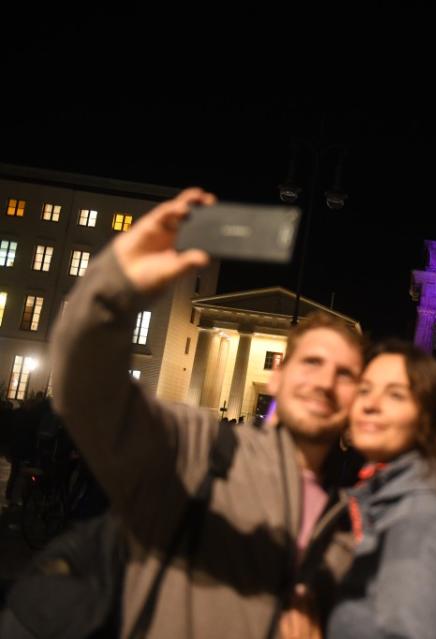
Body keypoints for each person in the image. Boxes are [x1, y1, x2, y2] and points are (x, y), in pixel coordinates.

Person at [47, 188, 365, 638]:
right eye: (311, 361)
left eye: (345, 373)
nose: (325, 381)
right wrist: (113, 283)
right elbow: (88, 392)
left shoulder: (347, 530)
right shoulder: (196, 449)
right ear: (275, 376)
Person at [326, 341, 436, 638]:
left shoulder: (423, 521)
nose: (370, 404)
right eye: (364, 390)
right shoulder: (394, 498)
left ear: (427, 417)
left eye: (396, 395)